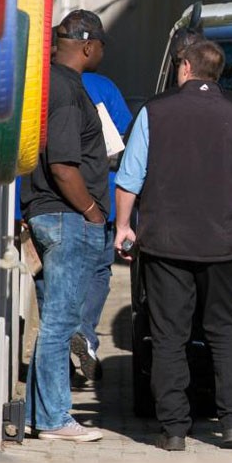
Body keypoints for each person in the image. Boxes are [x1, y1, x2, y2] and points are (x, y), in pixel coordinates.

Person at [114, 40, 232, 451]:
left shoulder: (154, 111)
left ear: (186, 67)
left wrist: (123, 226)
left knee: (169, 335)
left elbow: (129, 177)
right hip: (223, 243)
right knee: (225, 331)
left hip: (165, 243)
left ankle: (173, 429)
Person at [19, 10, 111, 442]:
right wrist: (92, 210)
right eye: (102, 47)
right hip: (65, 215)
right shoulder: (66, 90)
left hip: (50, 213)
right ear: (88, 45)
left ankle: (42, 414)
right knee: (61, 321)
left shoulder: (52, 84)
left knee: (55, 321)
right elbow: (62, 166)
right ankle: (56, 418)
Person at [67, 72, 133, 382]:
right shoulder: (101, 86)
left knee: (53, 276)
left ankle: (58, 350)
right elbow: (124, 139)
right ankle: (84, 335)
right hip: (99, 197)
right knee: (98, 270)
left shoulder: (40, 80)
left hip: (52, 197)